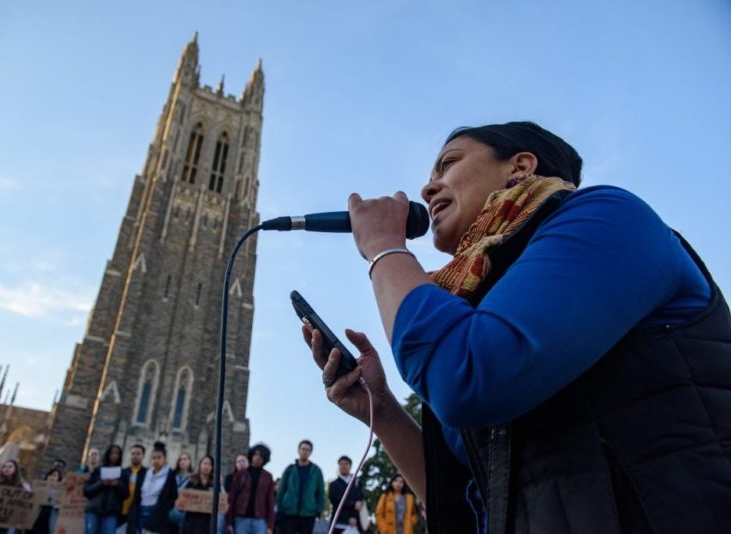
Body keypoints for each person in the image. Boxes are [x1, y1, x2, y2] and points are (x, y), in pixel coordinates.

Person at [303, 121, 731, 533]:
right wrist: (381, 409)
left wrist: (384, 248)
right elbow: (472, 503)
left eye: (448, 164)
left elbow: (467, 376)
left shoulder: (608, 218)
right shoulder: (473, 302)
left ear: (521, 166)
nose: (427, 188)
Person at [128, 441, 178, 534]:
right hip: (142, 510)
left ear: (165, 459)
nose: (156, 461)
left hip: (157, 512)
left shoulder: (170, 475)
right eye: (154, 458)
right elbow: (139, 493)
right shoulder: (145, 473)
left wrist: (161, 512)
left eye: (159, 458)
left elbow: (172, 496)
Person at [275, 440, 324, 534]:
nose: (304, 451)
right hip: (288, 513)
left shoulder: (316, 471)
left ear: (310, 452)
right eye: (303, 449)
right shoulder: (290, 469)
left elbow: (320, 492)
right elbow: (281, 490)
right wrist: (280, 507)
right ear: (299, 450)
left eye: (307, 450)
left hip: (308, 515)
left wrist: (318, 510)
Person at [226, 443, 275, 534]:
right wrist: (229, 521)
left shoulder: (268, 476)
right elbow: (232, 498)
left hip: (259, 519)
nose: (258, 457)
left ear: (265, 458)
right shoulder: (241, 474)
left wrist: (270, 526)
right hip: (241, 517)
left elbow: (270, 501)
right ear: (251, 455)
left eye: (261, 455)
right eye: (256, 454)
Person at [83, 444, 130, 534]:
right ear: (108, 454)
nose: (114, 455)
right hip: (93, 510)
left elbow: (125, 495)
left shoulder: (123, 473)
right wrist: (101, 483)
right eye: (112, 453)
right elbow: (86, 490)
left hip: (111, 513)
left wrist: (117, 484)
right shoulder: (98, 470)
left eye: (117, 453)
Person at [0, 460, 28, 534]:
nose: (7, 468)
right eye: (4, 466)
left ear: (15, 469)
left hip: (5, 519)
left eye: (10, 467)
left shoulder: (21, 486)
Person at [328, 456, 363, 533]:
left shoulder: (357, 483)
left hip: (354, 524)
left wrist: (353, 515)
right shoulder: (333, 484)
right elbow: (335, 500)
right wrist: (353, 504)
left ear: (350, 466)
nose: (343, 466)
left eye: (346, 464)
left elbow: (359, 501)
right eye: (341, 464)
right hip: (337, 523)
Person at [180, 455, 214, 534]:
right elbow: (181, 495)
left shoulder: (215, 483)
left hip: (207, 522)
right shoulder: (191, 480)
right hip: (191, 521)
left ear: (212, 467)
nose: (206, 466)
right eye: (204, 463)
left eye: (209, 464)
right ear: (200, 465)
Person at [119, 443, 147, 531]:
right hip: (120, 511)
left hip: (136, 513)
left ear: (143, 456)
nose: (135, 456)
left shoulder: (147, 473)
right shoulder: (123, 472)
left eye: (138, 454)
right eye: (133, 453)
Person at [31, 468, 63, 534]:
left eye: (55, 475)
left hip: (50, 518)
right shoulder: (39, 487)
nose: (52, 477)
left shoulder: (61, 492)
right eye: (50, 475)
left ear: (58, 479)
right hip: (37, 517)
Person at [168, 452, 193, 532]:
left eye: (185, 459)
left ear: (189, 462)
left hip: (184, 511)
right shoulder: (172, 475)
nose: (182, 461)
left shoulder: (193, 478)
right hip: (171, 508)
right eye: (180, 460)